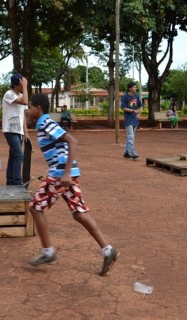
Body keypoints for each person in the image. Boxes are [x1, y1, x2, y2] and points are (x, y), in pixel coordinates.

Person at [27, 93, 119, 276]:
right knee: (78, 213)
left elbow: (72, 140)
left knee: (36, 208)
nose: (27, 111)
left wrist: (65, 172)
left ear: (38, 108)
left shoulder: (46, 123)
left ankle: (48, 252)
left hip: (62, 176)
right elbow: (60, 147)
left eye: (29, 107)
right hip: (62, 173)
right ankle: (108, 250)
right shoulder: (43, 124)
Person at [2, 73, 29, 185]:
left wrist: (26, 131)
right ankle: (17, 182)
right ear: (17, 84)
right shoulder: (9, 94)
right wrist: (26, 86)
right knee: (19, 155)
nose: (23, 84)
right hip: (10, 130)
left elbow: (22, 115)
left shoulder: (22, 95)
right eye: (21, 83)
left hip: (19, 131)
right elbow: (25, 102)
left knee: (13, 155)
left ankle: (10, 181)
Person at [121, 82, 142, 160]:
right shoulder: (125, 97)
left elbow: (140, 106)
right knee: (131, 137)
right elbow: (123, 108)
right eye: (134, 87)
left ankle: (126, 152)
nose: (135, 88)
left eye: (135, 87)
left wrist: (139, 113)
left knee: (131, 138)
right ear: (129, 88)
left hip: (135, 120)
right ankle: (133, 153)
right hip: (128, 120)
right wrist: (133, 111)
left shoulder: (136, 96)